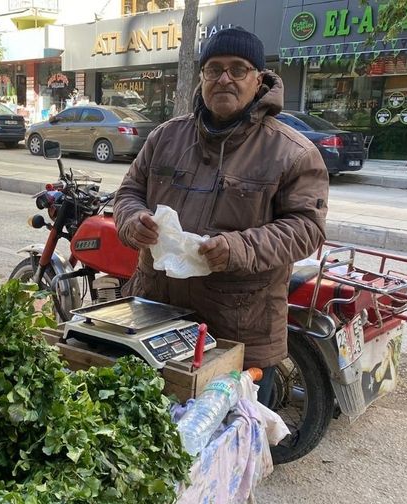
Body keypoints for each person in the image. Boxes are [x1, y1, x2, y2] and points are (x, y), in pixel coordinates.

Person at [113, 27, 329, 406]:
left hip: (239, 328)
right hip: (157, 317)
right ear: (202, 77)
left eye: (238, 69)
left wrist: (237, 248)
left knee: (231, 449)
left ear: (259, 79)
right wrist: (133, 220)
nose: (224, 78)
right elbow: (129, 191)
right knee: (153, 437)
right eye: (213, 69)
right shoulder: (165, 137)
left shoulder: (292, 152)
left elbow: (307, 229)